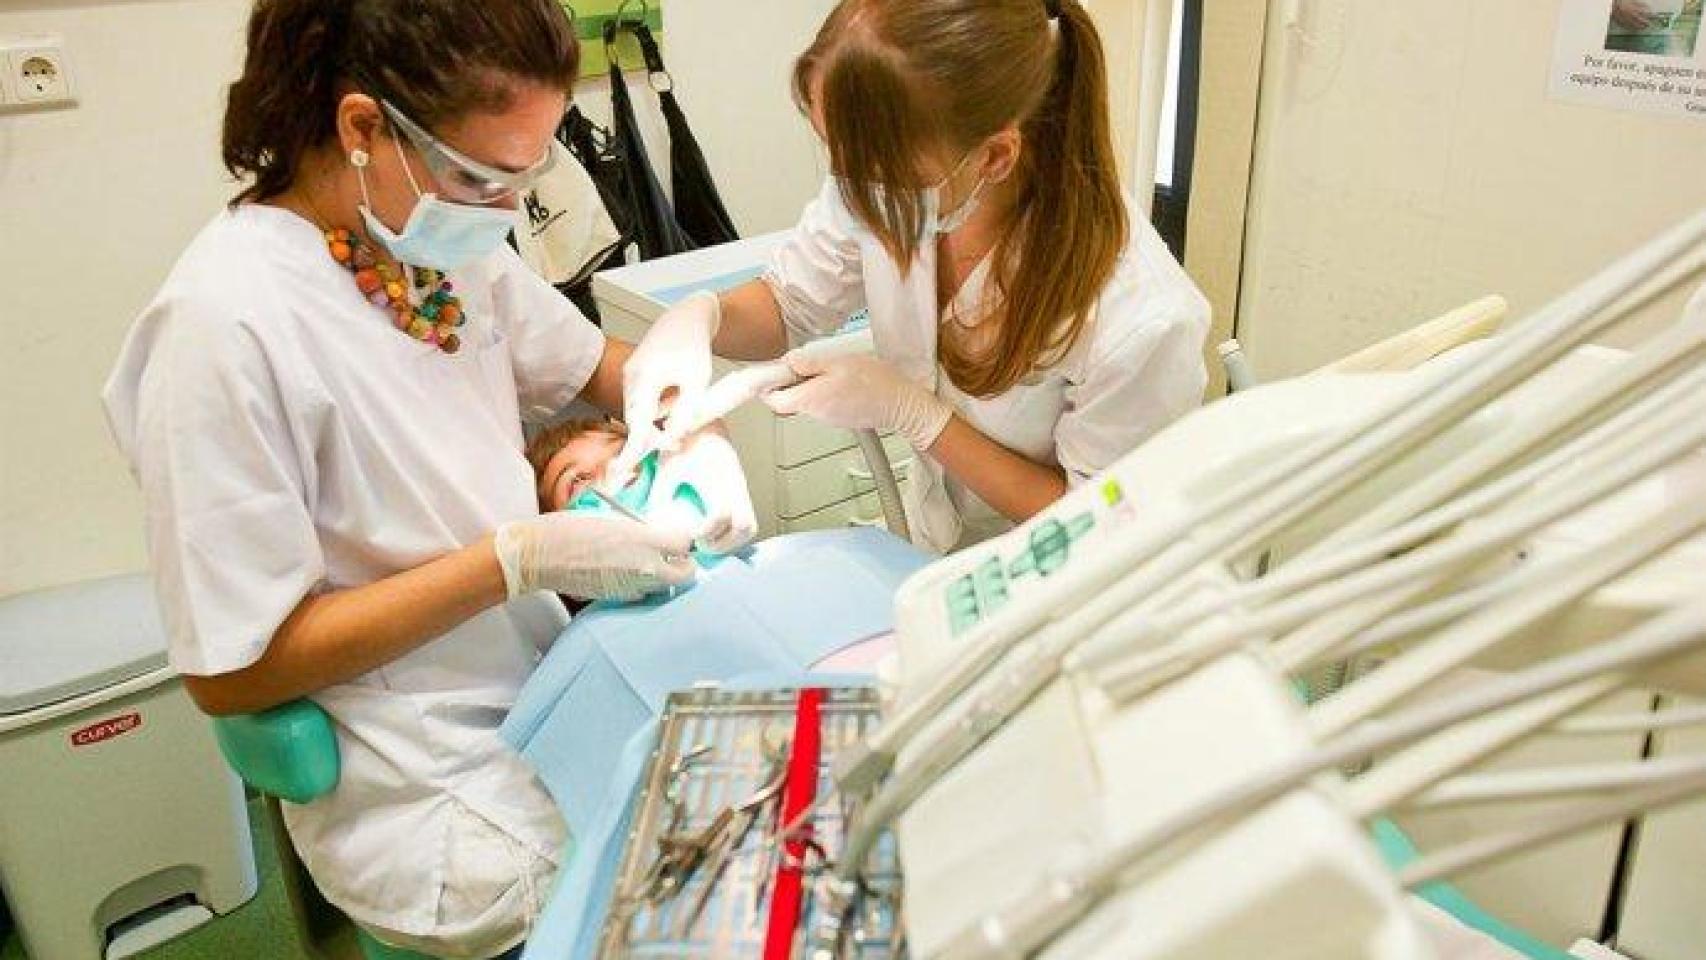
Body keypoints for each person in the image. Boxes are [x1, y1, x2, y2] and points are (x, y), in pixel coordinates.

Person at [99, 0, 754, 956]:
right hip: (427, 781)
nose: (505, 212)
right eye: (483, 178)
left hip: (552, 684)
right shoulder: (220, 331)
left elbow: (597, 369)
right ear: (363, 127)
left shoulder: (439, 249)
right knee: (723, 888)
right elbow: (233, 670)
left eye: (524, 177)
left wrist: (682, 415)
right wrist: (514, 562)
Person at [616, 0, 1212, 554]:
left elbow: (1097, 523)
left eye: (875, 168)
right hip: (934, 552)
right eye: (837, 154)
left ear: (994, 157)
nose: (851, 189)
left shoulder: (1139, 316)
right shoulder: (886, 179)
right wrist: (701, 318)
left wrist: (918, 417)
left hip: (1062, 589)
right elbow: (788, 305)